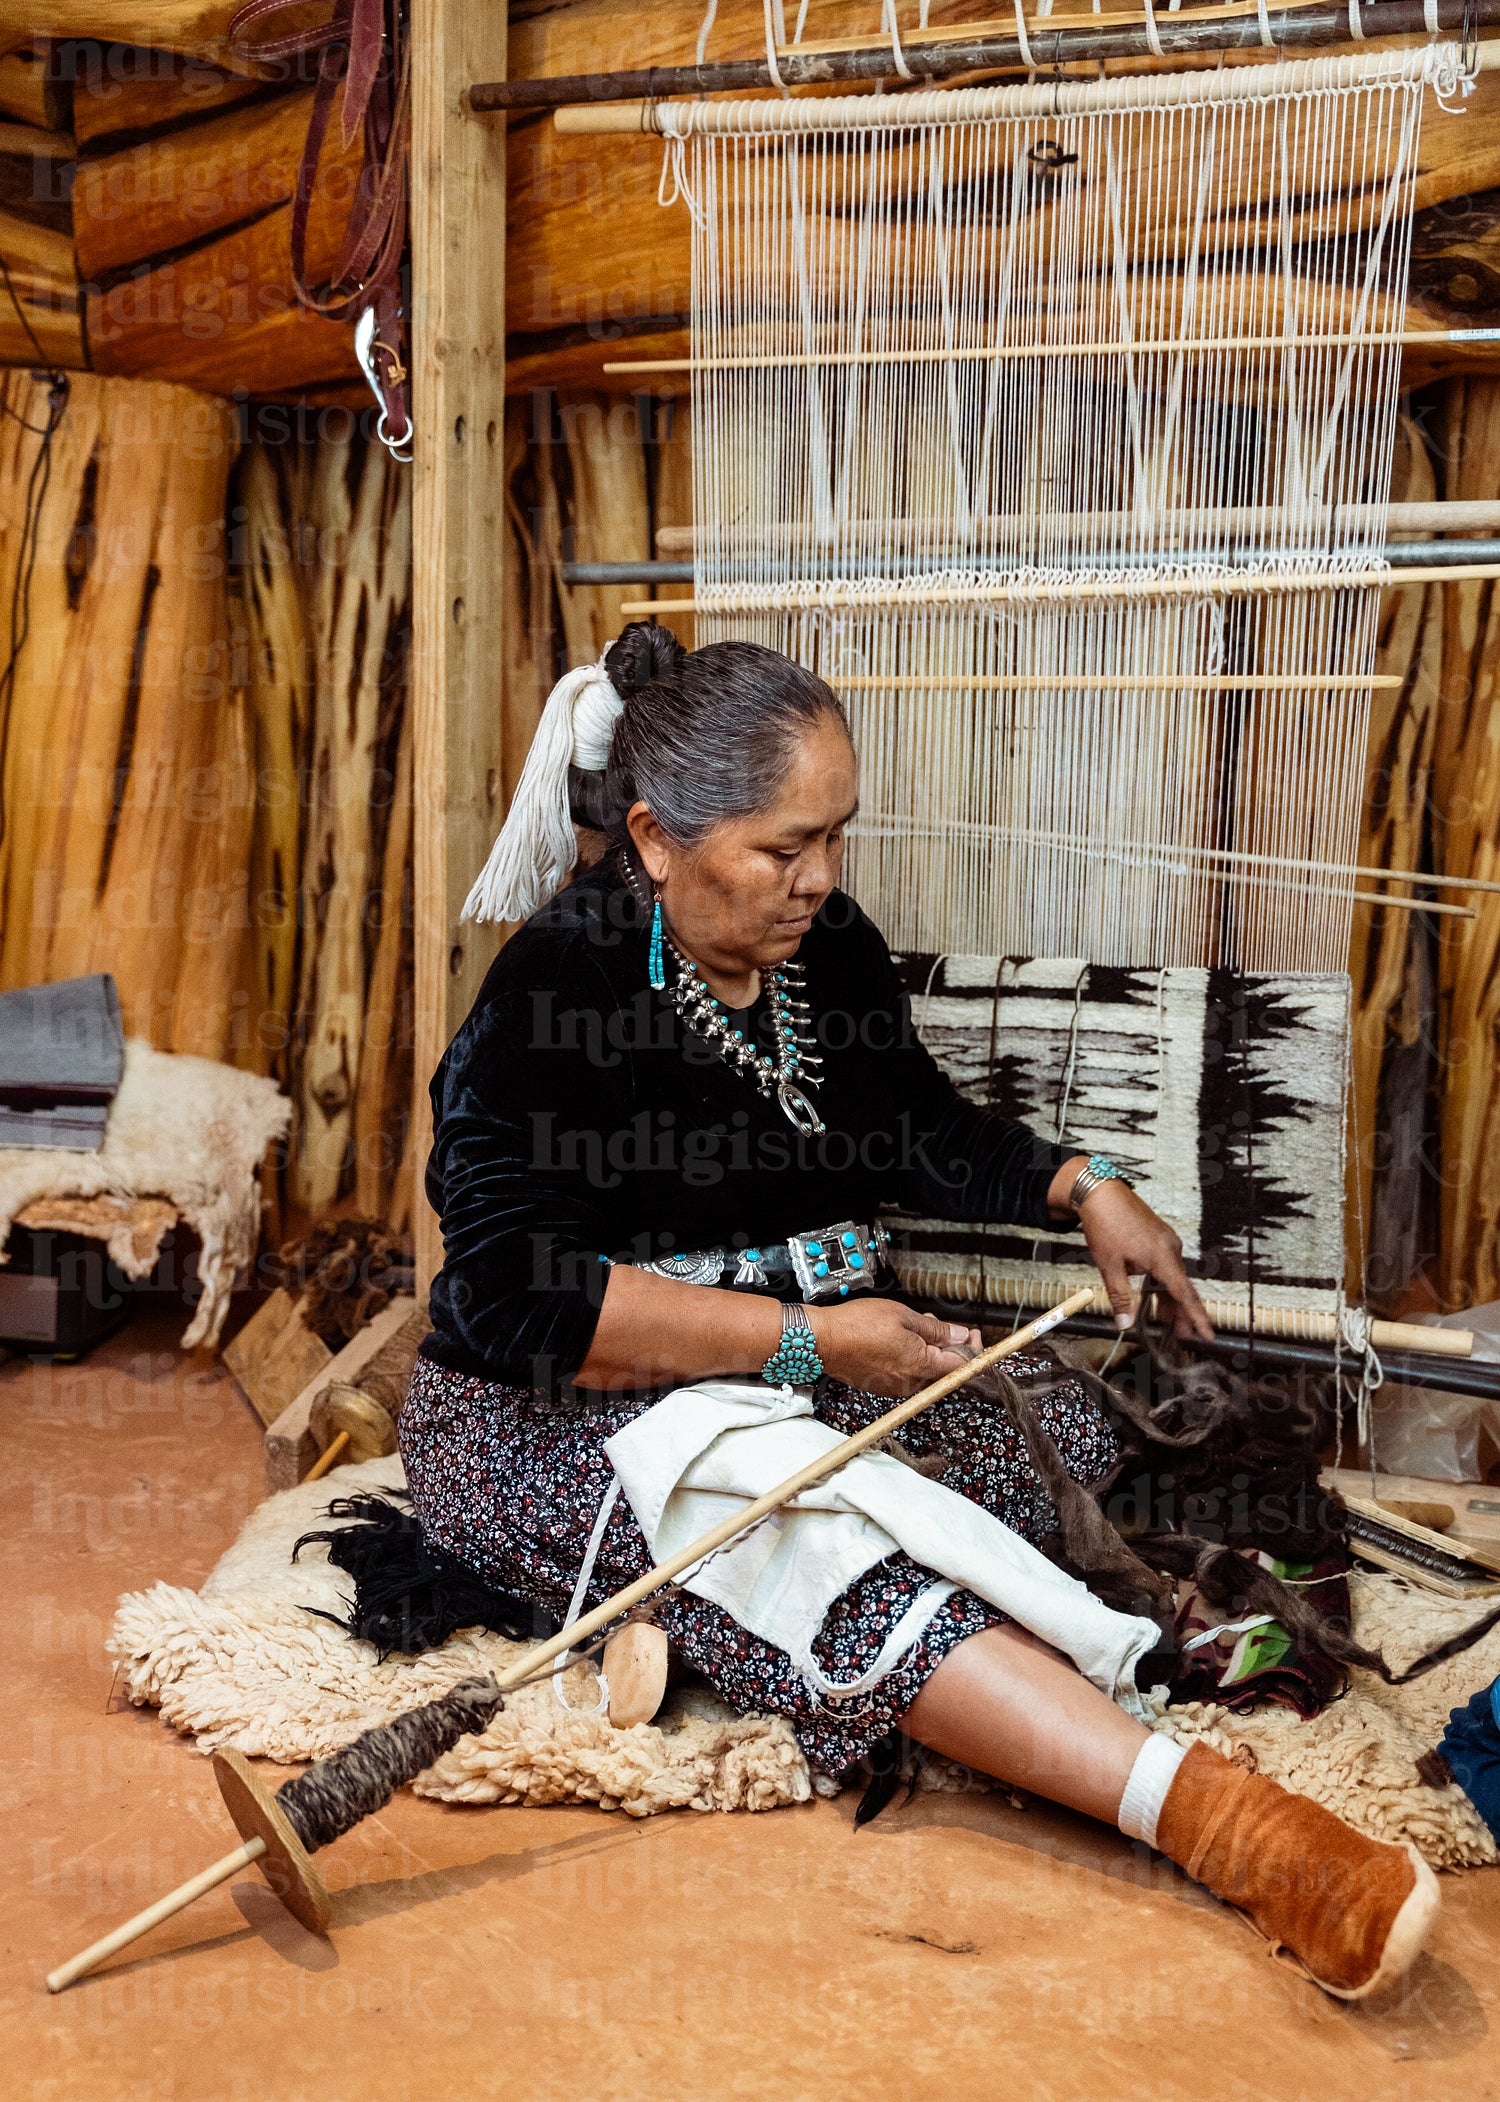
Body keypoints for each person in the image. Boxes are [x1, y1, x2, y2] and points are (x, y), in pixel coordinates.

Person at [401, 622, 1438, 2002]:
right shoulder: (556, 988)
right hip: (552, 1418)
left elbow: (911, 1127)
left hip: (779, 1372)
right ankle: (1228, 1827)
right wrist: (811, 1343)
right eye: (785, 849)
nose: (822, 879)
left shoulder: (823, 953)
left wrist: (1085, 1183)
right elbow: (517, 1298)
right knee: (830, 1555)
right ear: (653, 837)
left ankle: (1062, 1647)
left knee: (1035, 1443)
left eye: (839, 836)